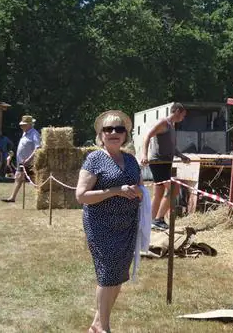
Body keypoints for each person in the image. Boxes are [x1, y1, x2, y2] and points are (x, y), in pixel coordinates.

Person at [75, 110, 144, 333]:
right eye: (108, 129)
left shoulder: (131, 160)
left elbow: (141, 187)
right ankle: (104, 328)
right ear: (101, 134)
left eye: (119, 129)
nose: (114, 133)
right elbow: (81, 196)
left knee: (119, 275)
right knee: (107, 275)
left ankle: (97, 323)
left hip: (127, 225)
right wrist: (115, 191)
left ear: (126, 134)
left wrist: (139, 193)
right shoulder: (95, 158)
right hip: (101, 225)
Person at [139, 103, 190, 231]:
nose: (183, 118)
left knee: (159, 193)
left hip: (166, 162)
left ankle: (149, 222)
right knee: (174, 188)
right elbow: (147, 136)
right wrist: (144, 155)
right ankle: (159, 219)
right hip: (159, 162)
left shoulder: (172, 126)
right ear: (177, 111)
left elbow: (172, 147)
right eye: (183, 115)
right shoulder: (163, 123)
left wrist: (181, 156)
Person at [2, 115, 41, 202]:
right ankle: (12, 198)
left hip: (30, 162)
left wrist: (29, 159)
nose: (21, 126)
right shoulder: (25, 133)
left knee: (34, 180)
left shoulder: (34, 134)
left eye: (24, 124)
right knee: (18, 178)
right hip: (22, 162)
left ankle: (42, 198)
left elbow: (38, 148)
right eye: (21, 124)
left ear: (30, 125)